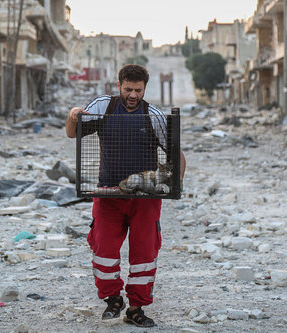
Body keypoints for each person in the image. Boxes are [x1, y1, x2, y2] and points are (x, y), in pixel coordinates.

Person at [65, 64, 186, 327]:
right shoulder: (102, 106)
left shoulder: (152, 115)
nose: (133, 95)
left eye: (138, 90)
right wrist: (73, 114)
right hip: (108, 192)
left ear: (144, 89)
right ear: (119, 85)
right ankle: (113, 300)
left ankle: (136, 308)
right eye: (128, 89)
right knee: (103, 250)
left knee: (144, 254)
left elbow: (175, 153)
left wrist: (178, 184)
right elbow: (72, 132)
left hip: (145, 198)